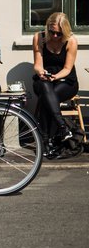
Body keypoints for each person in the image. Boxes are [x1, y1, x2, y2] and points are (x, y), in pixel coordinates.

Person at [31, 12, 79, 157]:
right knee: (46, 88)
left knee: (49, 96)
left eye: (59, 33)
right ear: (47, 28)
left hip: (66, 81)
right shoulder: (39, 38)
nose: (55, 36)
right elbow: (37, 65)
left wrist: (55, 77)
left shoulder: (71, 41)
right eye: (52, 32)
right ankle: (62, 127)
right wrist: (42, 73)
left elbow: (67, 69)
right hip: (44, 79)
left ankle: (45, 141)